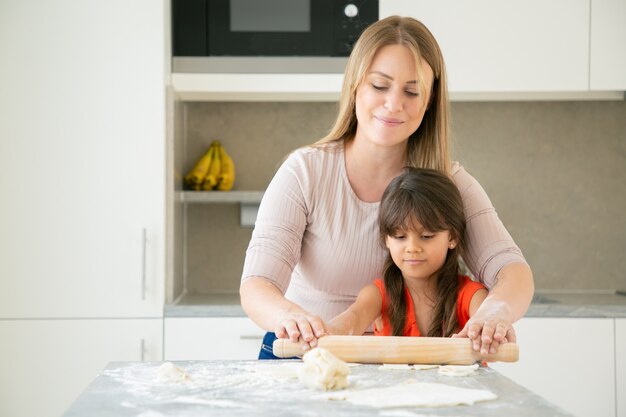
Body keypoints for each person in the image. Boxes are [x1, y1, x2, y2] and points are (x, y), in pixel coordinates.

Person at [240, 15, 534, 359]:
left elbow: (511, 270)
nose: (394, 103)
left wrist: (495, 313)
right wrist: (289, 317)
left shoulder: (448, 181)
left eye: (412, 91)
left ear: (429, 100)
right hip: (307, 357)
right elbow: (258, 284)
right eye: (380, 86)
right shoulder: (305, 172)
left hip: (406, 364)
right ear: (355, 86)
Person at [326, 167, 488, 338]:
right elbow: (352, 320)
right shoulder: (377, 295)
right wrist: (323, 332)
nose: (412, 247)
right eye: (400, 236)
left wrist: (483, 331)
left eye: (426, 236)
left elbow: (486, 320)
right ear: (387, 239)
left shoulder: (472, 296)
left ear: (452, 237)